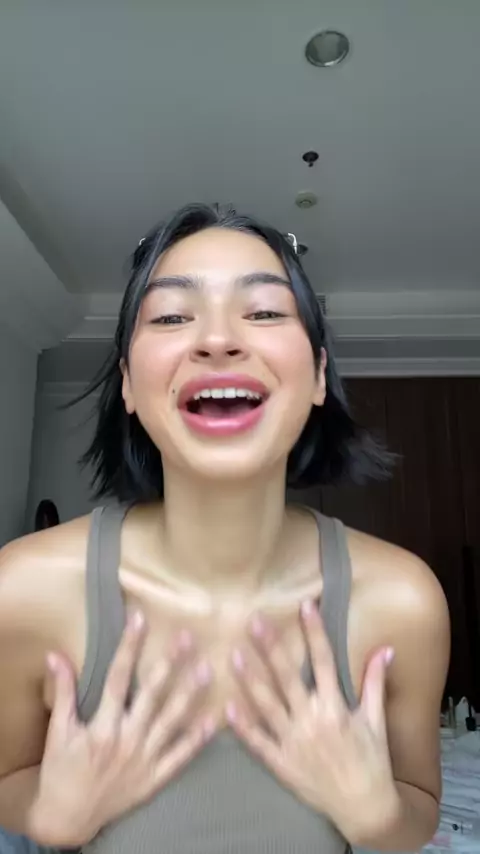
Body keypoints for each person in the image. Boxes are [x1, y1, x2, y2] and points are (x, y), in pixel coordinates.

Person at [0, 203, 450, 853]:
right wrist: (47, 813)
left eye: (263, 312)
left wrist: (378, 816)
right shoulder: (23, 589)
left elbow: (420, 805)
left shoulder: (403, 600)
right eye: (171, 317)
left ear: (318, 375)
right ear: (128, 385)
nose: (216, 340)